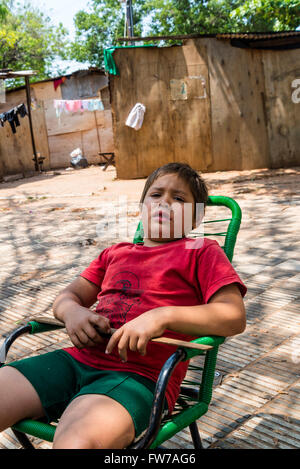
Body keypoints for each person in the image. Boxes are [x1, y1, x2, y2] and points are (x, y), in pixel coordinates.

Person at [0, 162, 247, 449]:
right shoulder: (116, 252)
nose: (165, 202)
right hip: (76, 360)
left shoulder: (201, 252)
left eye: (179, 199)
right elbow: (68, 296)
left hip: (139, 377)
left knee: (76, 441)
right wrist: (72, 312)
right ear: (143, 208)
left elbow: (233, 315)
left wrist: (162, 316)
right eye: (156, 195)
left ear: (195, 219)